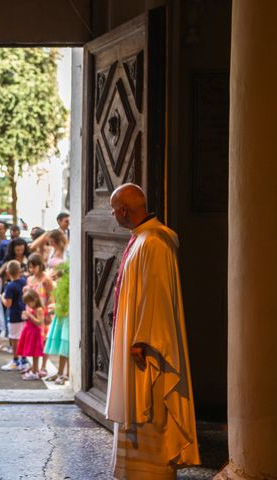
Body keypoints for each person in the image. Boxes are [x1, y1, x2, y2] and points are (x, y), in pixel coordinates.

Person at [106, 183, 200, 479]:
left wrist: (143, 341)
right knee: (135, 406)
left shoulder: (154, 243)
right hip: (137, 338)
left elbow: (156, 297)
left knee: (149, 404)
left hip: (147, 347)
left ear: (122, 210)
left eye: (113, 209)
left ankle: (153, 473)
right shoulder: (142, 238)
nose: (113, 215)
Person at [26, 253, 54, 376]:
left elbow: (51, 296)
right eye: (30, 267)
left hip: (43, 312)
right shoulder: (29, 279)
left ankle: (43, 365)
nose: (32, 270)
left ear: (39, 265)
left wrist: (48, 313)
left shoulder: (46, 279)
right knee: (34, 339)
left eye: (33, 267)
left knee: (44, 340)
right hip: (32, 312)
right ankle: (35, 364)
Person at [0, 260, 28, 371]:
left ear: (8, 272)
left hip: (14, 315)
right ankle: (24, 359)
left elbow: (8, 304)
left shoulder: (10, 286)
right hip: (24, 313)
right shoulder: (23, 282)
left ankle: (16, 360)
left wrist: (1, 297)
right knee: (23, 337)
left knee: (14, 338)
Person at [16, 289, 45, 381]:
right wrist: (25, 316)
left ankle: (35, 371)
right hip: (29, 331)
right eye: (27, 303)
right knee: (32, 352)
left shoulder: (39, 309)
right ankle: (34, 369)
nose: (28, 305)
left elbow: (39, 322)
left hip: (34, 333)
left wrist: (30, 315)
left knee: (35, 353)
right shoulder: (31, 308)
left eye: (29, 303)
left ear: (35, 300)